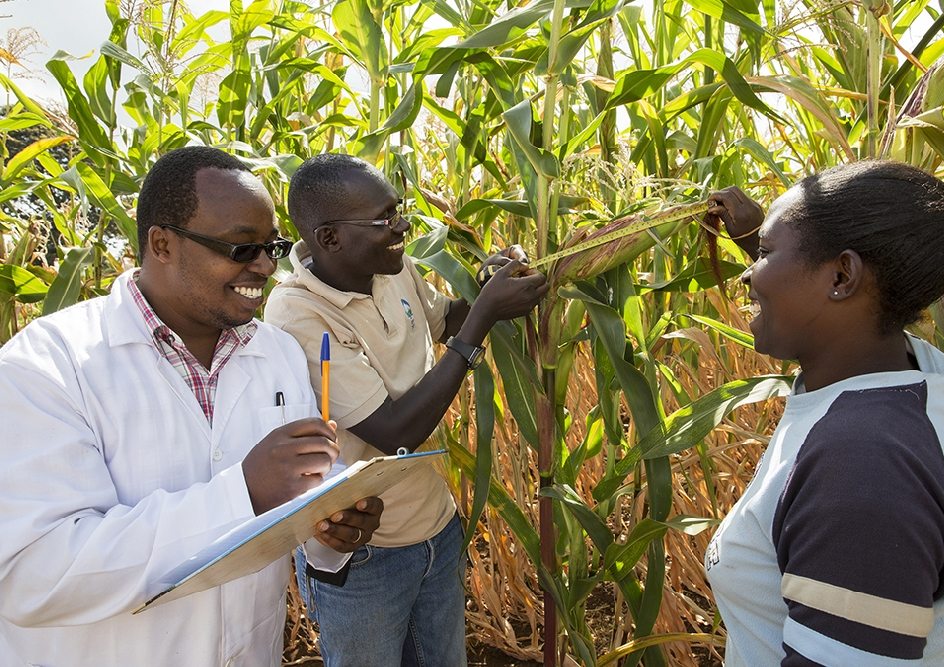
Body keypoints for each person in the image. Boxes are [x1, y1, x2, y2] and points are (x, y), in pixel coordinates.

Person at [0, 146, 384, 667]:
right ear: (162, 243)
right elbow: (33, 576)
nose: (266, 266)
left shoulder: (278, 354)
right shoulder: (45, 367)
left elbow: (298, 495)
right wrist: (244, 492)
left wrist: (329, 532)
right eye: (241, 249)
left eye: (272, 246)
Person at [264, 153, 548, 666]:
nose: (402, 226)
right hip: (363, 554)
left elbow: (444, 322)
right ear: (329, 238)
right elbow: (396, 432)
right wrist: (483, 319)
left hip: (435, 528)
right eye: (384, 220)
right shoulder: (297, 313)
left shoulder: (391, 267)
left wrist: (488, 288)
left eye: (399, 211)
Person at [702, 161, 944, 665]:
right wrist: (761, 241)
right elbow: (849, 307)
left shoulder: (864, 465)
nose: (748, 274)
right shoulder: (914, 377)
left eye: (765, 255)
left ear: (842, 274)